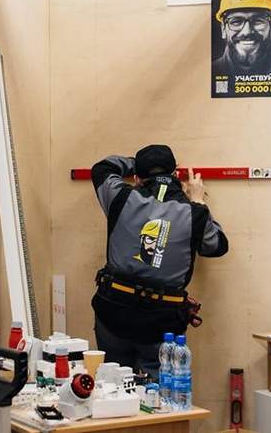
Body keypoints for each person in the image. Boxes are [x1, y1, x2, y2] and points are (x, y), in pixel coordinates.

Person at [90, 145, 228, 375]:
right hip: (161, 321)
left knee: (113, 386)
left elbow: (102, 168)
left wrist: (138, 163)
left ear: (137, 178)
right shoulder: (194, 213)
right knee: (158, 393)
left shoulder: (121, 197)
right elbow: (217, 246)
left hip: (113, 312)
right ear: (176, 174)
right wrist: (198, 201)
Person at [212, 0, 271, 77]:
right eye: (236, 21)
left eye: (258, 21)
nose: (247, 31)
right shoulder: (210, 73)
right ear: (223, 29)